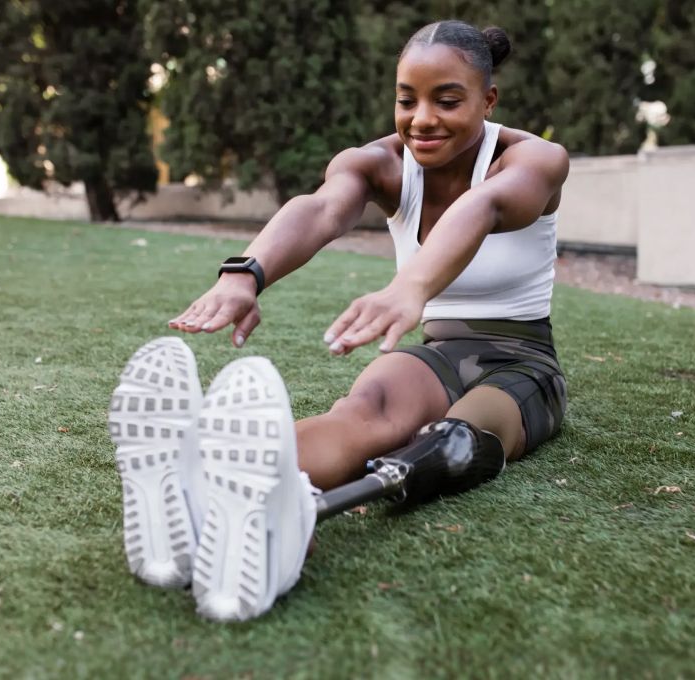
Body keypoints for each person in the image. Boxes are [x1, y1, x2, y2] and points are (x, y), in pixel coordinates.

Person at [107, 20, 570, 622]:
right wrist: (245, 274)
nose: (422, 118)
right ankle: (207, 490)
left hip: (524, 362)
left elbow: (482, 206)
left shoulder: (534, 159)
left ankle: (292, 514)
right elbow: (322, 208)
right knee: (364, 414)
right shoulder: (381, 162)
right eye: (408, 100)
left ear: (488, 100)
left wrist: (410, 287)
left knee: (455, 438)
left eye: (447, 100)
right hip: (436, 354)